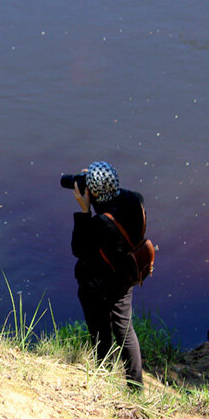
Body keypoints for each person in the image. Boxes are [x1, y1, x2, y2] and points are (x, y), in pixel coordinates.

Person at [69, 160, 144, 389]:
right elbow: (113, 204)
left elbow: (78, 249)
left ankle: (104, 382)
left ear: (93, 192)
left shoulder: (100, 223)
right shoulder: (135, 199)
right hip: (125, 278)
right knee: (125, 329)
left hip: (97, 286)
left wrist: (84, 210)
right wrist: (95, 180)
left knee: (101, 333)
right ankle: (135, 387)